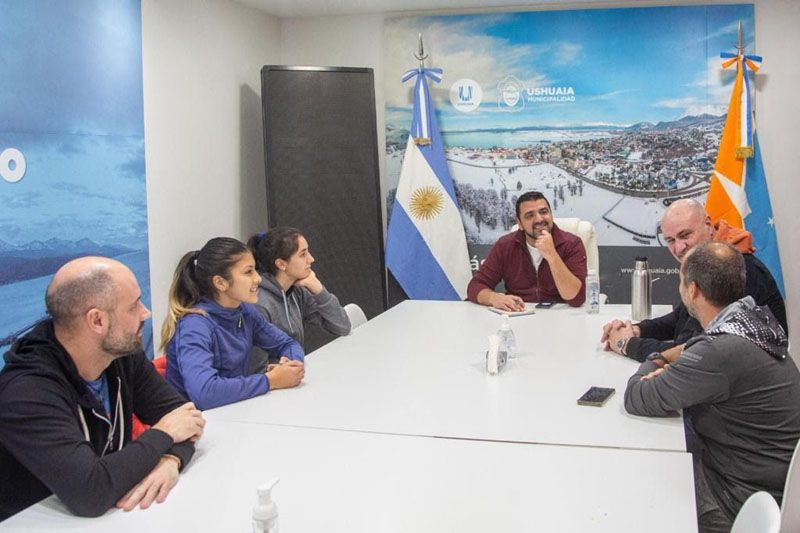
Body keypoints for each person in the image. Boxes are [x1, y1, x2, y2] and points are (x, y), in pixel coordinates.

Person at [0, 257, 205, 521]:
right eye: (133, 307)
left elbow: (184, 416)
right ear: (96, 320)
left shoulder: (119, 354)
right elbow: (90, 492)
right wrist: (164, 434)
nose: (146, 313)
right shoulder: (27, 392)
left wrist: (171, 460)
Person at [624, 242, 800, 532]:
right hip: (763, 476)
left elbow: (637, 396)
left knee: (642, 487)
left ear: (692, 290)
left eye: (681, 281)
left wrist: (656, 359)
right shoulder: (751, 320)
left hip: (737, 497)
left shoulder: (719, 351)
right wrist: (674, 368)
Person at [602, 198, 786, 362]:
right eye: (670, 240)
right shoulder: (707, 262)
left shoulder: (734, 269)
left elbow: (691, 353)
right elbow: (682, 318)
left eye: (685, 235)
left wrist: (628, 344)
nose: (679, 247)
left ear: (708, 224)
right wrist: (638, 330)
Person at [162, 237, 305, 411]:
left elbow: (287, 343)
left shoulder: (245, 311)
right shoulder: (195, 326)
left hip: (233, 411)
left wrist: (291, 365)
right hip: (197, 424)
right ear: (220, 283)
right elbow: (204, 393)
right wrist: (271, 380)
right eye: (248, 272)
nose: (258, 278)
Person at [247, 228, 351, 373]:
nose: (311, 259)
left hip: (296, 374)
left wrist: (318, 289)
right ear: (281, 264)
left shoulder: (297, 291)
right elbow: (257, 370)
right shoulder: (259, 305)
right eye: (303, 254)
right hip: (276, 386)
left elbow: (342, 326)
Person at [467, 191, 587, 311]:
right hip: (519, 314)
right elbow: (475, 286)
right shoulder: (506, 245)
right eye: (530, 215)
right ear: (520, 224)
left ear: (551, 214)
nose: (539, 219)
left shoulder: (572, 244)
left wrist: (552, 255)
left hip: (562, 315)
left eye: (544, 212)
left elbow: (576, 298)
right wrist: (494, 298)